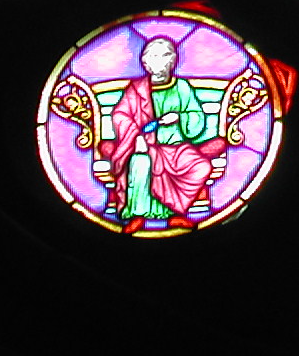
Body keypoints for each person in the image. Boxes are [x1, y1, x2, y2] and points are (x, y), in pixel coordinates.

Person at [97, 37, 229, 234]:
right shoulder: (137, 89)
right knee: (140, 162)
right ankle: (137, 214)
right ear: (146, 63)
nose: (160, 62)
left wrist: (180, 117)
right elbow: (120, 115)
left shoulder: (182, 87)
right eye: (154, 57)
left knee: (201, 166)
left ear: (173, 61)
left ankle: (176, 212)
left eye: (165, 56)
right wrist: (136, 136)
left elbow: (196, 117)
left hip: (177, 148)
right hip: (144, 145)